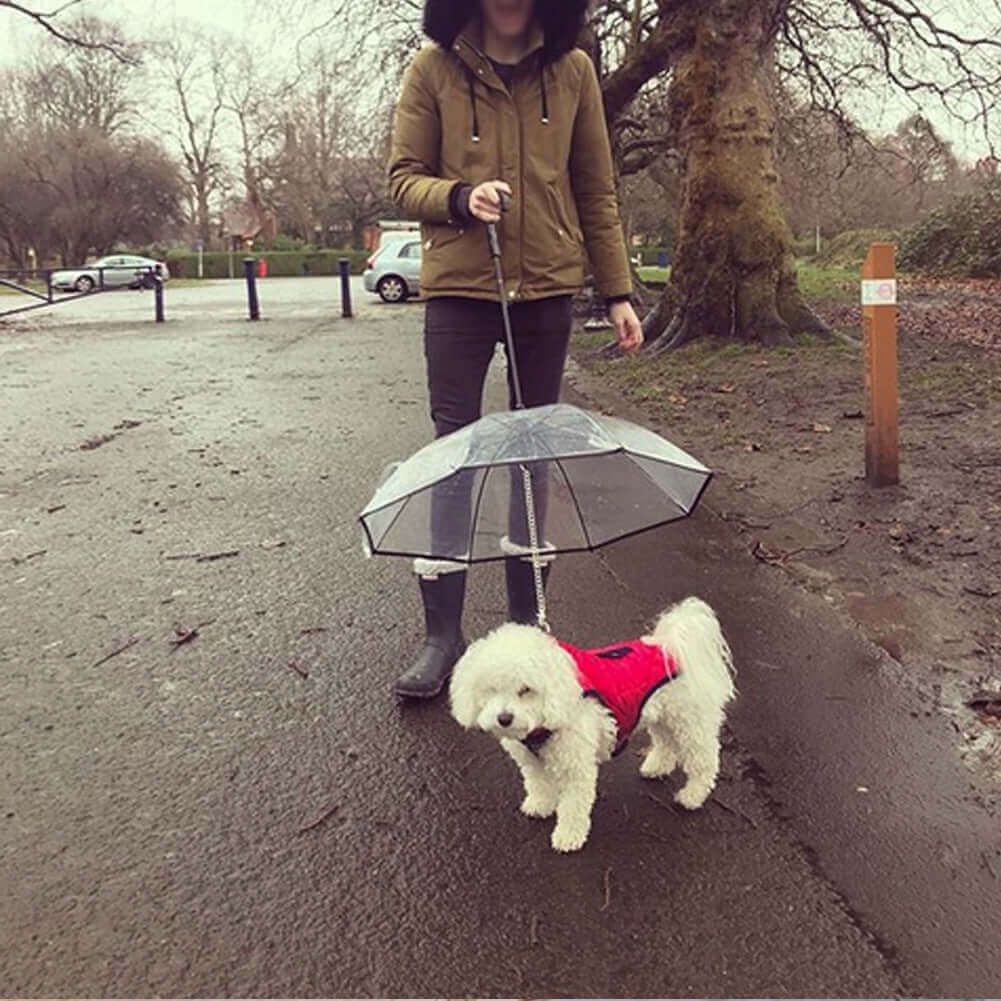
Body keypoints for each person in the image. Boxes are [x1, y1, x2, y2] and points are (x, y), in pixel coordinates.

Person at [387, 0, 643, 699]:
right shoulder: (431, 68)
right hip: (460, 291)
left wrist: (617, 291)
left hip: (546, 290)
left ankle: (529, 624)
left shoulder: (573, 72)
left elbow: (595, 190)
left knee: (531, 448)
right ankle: (443, 634)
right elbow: (402, 177)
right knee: (454, 453)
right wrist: (460, 195)